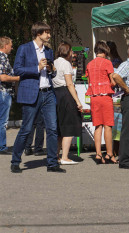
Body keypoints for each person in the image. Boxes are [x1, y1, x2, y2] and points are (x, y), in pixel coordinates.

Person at [11, 22, 65, 173]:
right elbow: (17, 69)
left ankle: (52, 163)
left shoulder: (48, 51)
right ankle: (15, 161)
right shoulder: (24, 48)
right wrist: (37, 68)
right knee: (27, 128)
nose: (49, 35)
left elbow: (52, 73)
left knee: (52, 128)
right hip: (32, 93)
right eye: (47, 32)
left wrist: (51, 69)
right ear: (38, 33)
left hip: (48, 92)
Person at [85, 40, 129, 165]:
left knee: (97, 126)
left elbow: (89, 82)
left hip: (94, 97)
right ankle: (110, 154)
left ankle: (98, 154)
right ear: (105, 51)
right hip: (105, 97)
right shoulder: (107, 63)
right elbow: (113, 80)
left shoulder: (89, 64)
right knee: (108, 126)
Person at [53, 42, 82, 165]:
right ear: (67, 52)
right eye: (71, 51)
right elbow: (69, 83)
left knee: (60, 127)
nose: (73, 54)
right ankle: (65, 157)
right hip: (66, 94)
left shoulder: (55, 62)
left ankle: (56, 155)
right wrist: (78, 101)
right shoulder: (66, 64)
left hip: (56, 94)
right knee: (69, 125)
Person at [0, 36, 20, 155]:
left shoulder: (4, 57)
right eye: (11, 45)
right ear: (5, 45)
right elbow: (2, 77)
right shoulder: (1, 58)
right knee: (3, 121)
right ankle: (2, 147)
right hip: (3, 92)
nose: (12, 48)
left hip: (4, 92)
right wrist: (18, 78)